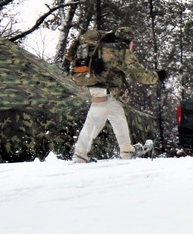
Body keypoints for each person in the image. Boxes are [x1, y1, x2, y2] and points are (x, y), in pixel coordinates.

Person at [68, 27, 163, 162]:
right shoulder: (119, 51)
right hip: (103, 90)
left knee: (118, 115)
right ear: (127, 41)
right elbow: (139, 74)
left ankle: (126, 149)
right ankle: (80, 153)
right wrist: (157, 76)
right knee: (95, 120)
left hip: (100, 87)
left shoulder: (101, 48)